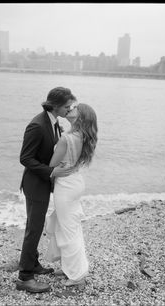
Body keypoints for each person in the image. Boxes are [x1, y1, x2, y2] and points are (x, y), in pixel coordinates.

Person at [16, 87, 77, 293]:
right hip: (35, 185)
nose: (69, 110)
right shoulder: (37, 125)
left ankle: (33, 264)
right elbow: (25, 158)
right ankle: (25, 277)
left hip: (42, 184)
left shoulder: (53, 121)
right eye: (67, 107)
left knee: (35, 225)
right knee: (34, 229)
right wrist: (52, 171)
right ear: (55, 106)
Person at [44, 103, 98, 287]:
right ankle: (69, 267)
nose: (69, 109)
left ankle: (77, 275)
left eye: (74, 108)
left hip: (66, 185)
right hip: (76, 181)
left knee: (69, 230)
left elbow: (52, 165)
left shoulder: (67, 138)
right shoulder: (83, 135)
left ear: (80, 116)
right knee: (67, 225)